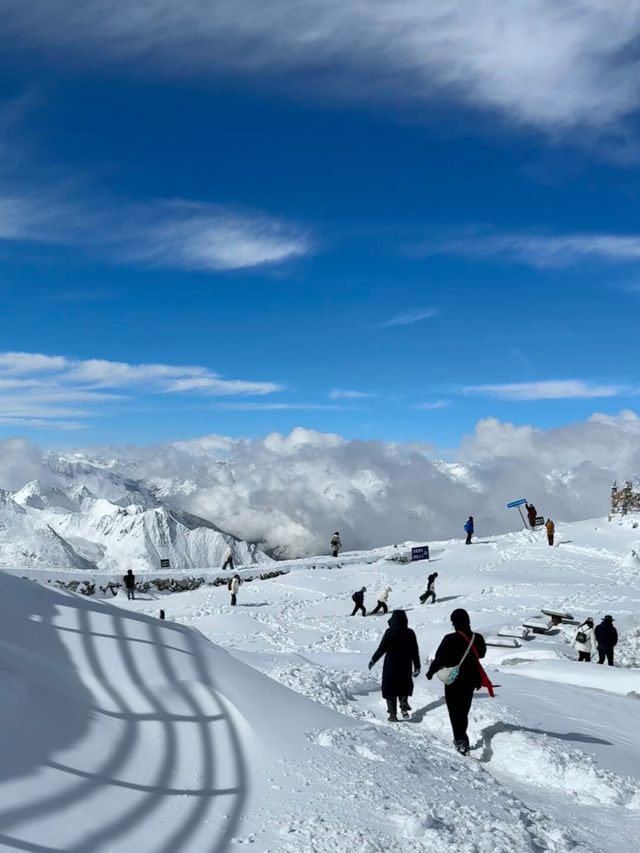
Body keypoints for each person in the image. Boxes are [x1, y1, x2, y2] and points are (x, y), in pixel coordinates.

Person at [426, 608, 493, 755]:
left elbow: (439, 659)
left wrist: (430, 672)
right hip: (471, 680)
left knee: (454, 711)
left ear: (454, 623)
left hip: (453, 680)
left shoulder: (449, 638)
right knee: (463, 710)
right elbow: (481, 654)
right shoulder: (478, 637)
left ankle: (461, 740)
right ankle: (462, 738)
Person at [368, 610, 421, 721]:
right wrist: (417, 666)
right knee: (404, 685)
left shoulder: (390, 632)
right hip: (405, 664)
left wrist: (373, 660)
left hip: (391, 665)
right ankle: (403, 703)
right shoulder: (410, 633)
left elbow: (382, 648)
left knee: (390, 688)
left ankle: (392, 715)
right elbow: (415, 651)